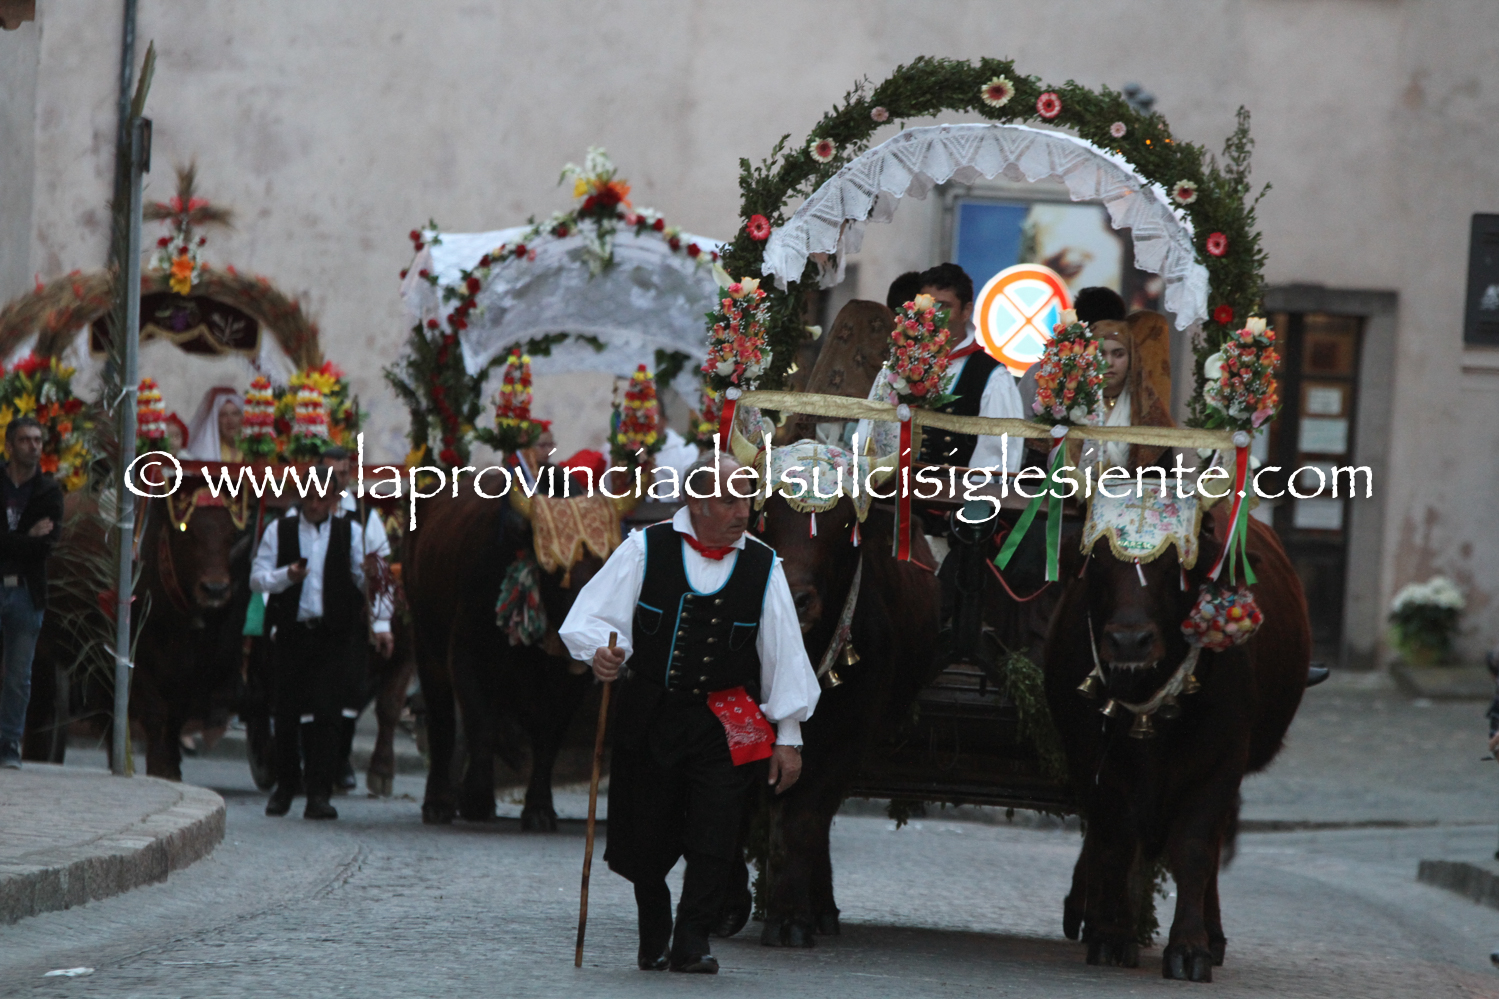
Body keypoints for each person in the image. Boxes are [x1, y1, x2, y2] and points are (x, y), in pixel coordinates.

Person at [559, 454, 818, 974]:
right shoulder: (644, 549)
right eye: (729, 500)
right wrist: (600, 653)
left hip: (730, 714)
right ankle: (654, 928)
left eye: (747, 499)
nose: (743, 511)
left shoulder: (764, 565)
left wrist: (788, 737)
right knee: (646, 831)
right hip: (652, 708)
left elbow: (784, 654)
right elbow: (587, 619)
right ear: (696, 502)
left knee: (717, 829)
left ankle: (693, 939)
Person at [251, 485, 392, 819]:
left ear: (334, 501)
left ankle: (319, 793)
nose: (315, 504)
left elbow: (365, 583)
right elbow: (257, 579)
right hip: (292, 632)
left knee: (328, 716)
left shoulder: (350, 533)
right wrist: (286, 576)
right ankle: (286, 785)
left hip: (332, 635)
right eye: (310, 497)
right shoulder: (280, 529)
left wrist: (379, 612)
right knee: (286, 714)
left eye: (323, 499)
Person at [318, 445, 395, 791]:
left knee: (349, 692)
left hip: (347, 616)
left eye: (344, 474)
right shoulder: (302, 513)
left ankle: (340, 759)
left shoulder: (366, 517)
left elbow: (381, 577)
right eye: (331, 475)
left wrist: (381, 623)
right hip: (308, 616)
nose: (338, 482)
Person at [909, 263, 1024, 472]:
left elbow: (995, 461)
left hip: (955, 492)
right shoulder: (900, 364)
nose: (934, 315)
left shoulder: (992, 376)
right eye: (927, 306)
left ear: (966, 311)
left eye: (944, 306)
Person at [0, 417, 63, 768]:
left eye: (38, 440)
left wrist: (13, 543)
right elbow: (30, 544)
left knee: (18, 676)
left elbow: (46, 546)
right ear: (9, 445)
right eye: (25, 439)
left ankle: (9, 744)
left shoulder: (48, 492)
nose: (33, 446)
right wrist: (26, 537)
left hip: (27, 592)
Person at [1084, 309, 1175, 470]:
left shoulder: (1147, 408)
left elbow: (1160, 473)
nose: (1109, 363)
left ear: (1131, 358)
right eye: (1101, 354)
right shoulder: (1072, 404)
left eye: (1118, 354)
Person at [185, 386, 244, 462]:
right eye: (223, 415)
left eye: (235, 414)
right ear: (217, 421)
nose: (230, 420)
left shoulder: (254, 448)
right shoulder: (203, 451)